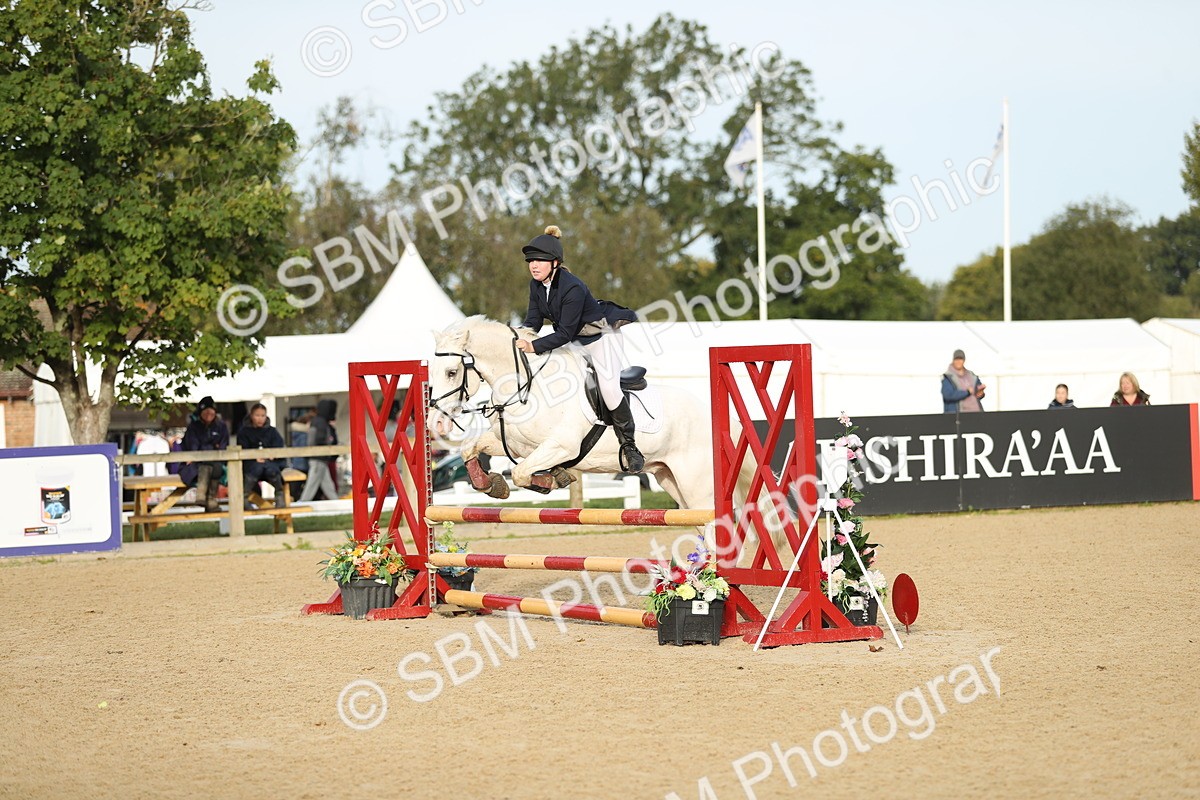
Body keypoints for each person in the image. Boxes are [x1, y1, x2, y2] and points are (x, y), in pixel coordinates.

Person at [514, 225, 644, 472]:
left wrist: (532, 345)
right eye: (530, 260)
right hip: (574, 342)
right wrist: (516, 336)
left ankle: (629, 445)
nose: (533, 265)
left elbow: (564, 332)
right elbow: (533, 322)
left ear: (555, 262)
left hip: (601, 340)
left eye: (539, 260)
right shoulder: (536, 286)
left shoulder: (572, 287)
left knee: (607, 386)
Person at [179, 396, 229, 512]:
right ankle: (207, 498)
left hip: (217, 463)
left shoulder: (221, 427)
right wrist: (211, 447)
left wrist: (209, 448)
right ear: (200, 412)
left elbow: (222, 446)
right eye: (205, 411)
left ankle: (205, 496)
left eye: (211, 411)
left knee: (215, 467)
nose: (208, 414)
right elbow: (193, 447)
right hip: (195, 465)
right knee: (206, 466)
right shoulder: (193, 427)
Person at [237, 402, 286, 508]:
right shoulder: (244, 432)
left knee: (272, 469)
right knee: (256, 468)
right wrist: (254, 457)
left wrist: (272, 454)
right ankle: (244, 496)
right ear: (251, 416)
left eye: (263, 416)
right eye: (257, 415)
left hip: (270, 463)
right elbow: (242, 448)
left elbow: (279, 446)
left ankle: (279, 494)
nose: (260, 418)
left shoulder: (272, 431)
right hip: (251, 464)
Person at [298, 399, 340, 502]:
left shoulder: (319, 421)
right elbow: (319, 439)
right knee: (312, 483)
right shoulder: (320, 422)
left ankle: (335, 501)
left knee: (327, 484)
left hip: (320, 458)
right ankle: (302, 503)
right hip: (318, 457)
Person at [288, 408, 314, 474]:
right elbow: (305, 450)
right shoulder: (304, 435)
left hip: (296, 463)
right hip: (304, 464)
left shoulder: (297, 433)